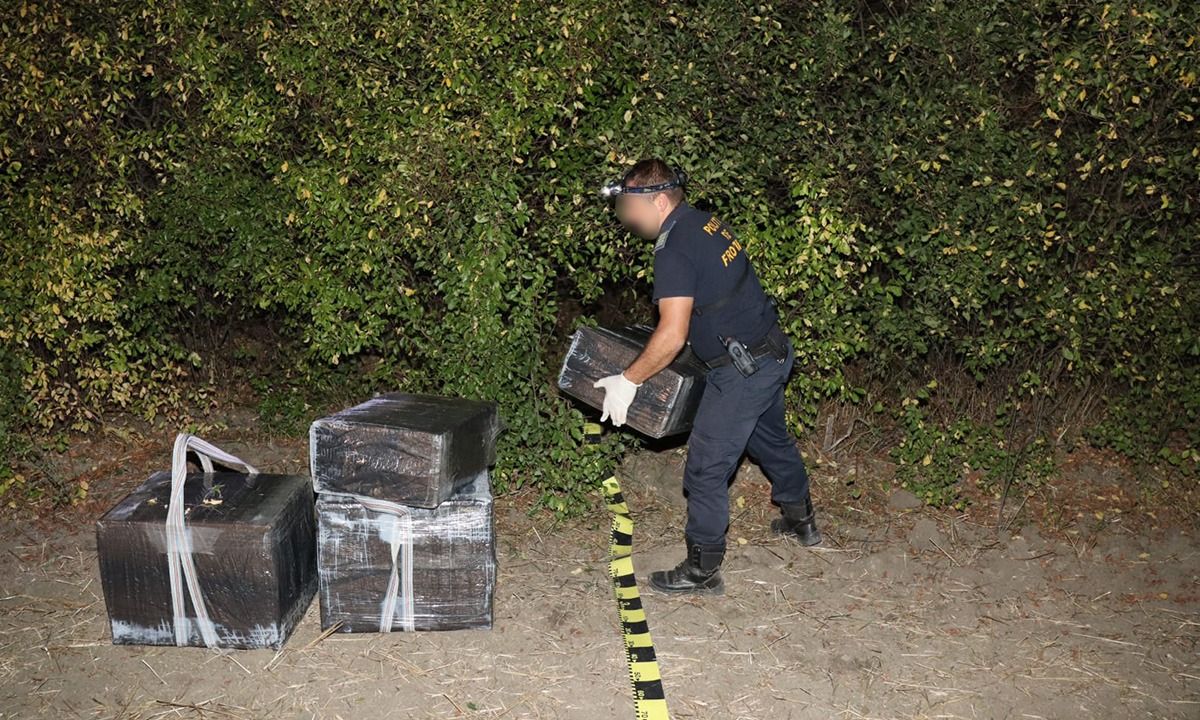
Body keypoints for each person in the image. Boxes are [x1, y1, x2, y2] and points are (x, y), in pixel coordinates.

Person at [592, 158, 821, 596]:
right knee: (769, 441)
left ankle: (703, 570)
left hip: (742, 371)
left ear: (659, 201)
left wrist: (629, 379)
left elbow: (671, 334)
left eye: (632, 206)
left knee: (705, 468)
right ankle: (801, 519)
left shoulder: (674, 247)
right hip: (770, 353)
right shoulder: (702, 223)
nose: (628, 217)